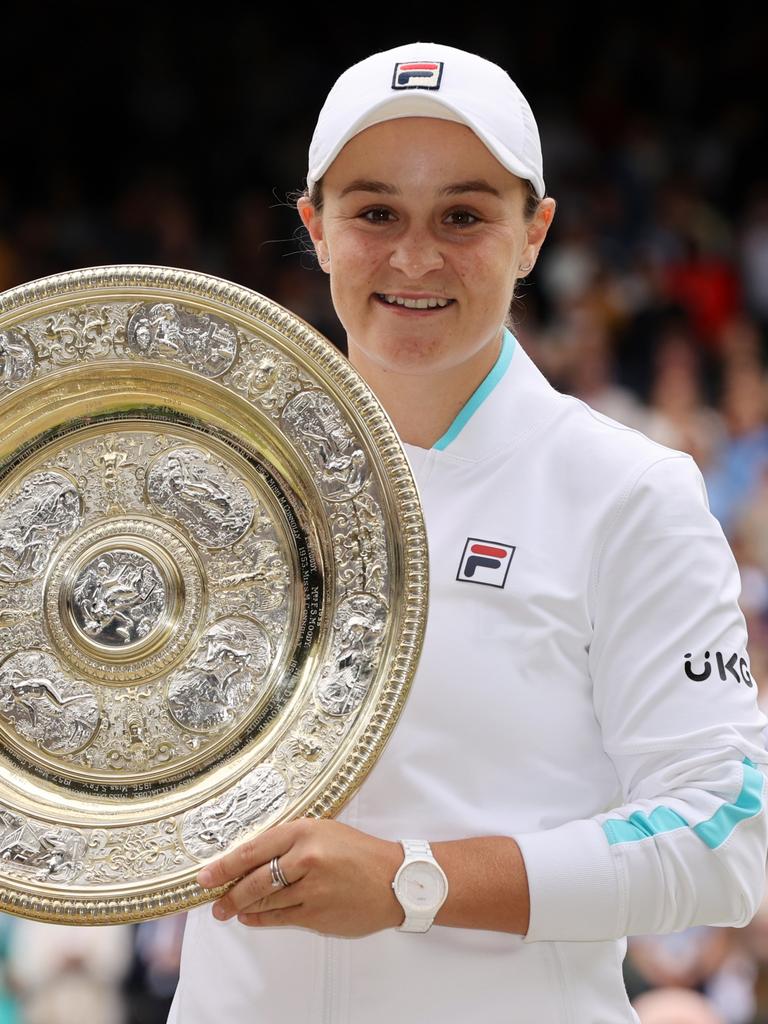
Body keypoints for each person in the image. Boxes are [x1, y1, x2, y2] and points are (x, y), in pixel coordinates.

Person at [167, 41, 768, 1022]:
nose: (413, 256)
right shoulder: (214, 481)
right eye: (375, 213)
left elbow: (723, 836)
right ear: (315, 228)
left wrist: (416, 880)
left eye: (463, 215)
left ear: (534, 234)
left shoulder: (629, 492)